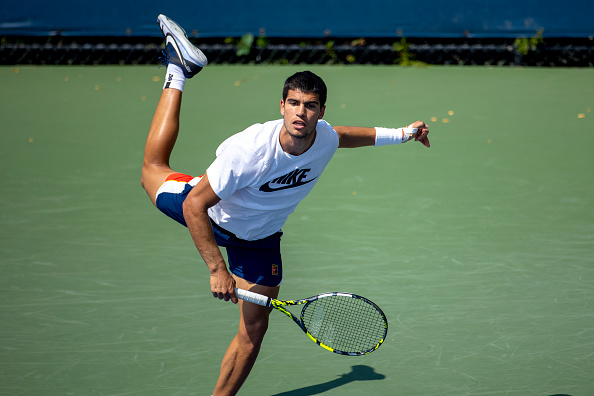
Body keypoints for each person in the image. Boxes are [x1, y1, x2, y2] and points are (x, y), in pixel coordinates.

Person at [141, 14, 430, 396]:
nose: (300, 112)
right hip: (213, 216)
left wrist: (405, 134)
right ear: (281, 105)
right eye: (293, 103)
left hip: (260, 239)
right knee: (152, 169)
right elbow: (195, 205)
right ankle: (179, 69)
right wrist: (216, 269)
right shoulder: (249, 153)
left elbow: (349, 135)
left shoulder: (323, 137)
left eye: (309, 105)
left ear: (320, 112)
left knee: (254, 330)